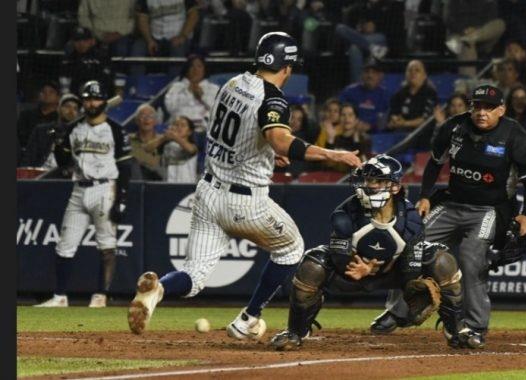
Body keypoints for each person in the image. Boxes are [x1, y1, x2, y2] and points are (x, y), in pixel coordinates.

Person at [126, 32, 362, 337]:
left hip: (208, 193)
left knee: (193, 277)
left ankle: (157, 290)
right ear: (287, 67)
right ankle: (248, 319)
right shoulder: (273, 98)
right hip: (245, 202)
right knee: (291, 249)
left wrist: (263, 155)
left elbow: (227, 133)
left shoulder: (232, 84)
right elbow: (279, 140)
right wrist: (331, 153)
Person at [372, 85, 526, 349]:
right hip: (452, 203)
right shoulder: (454, 127)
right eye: (477, 106)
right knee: (410, 243)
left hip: (489, 209)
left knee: (472, 258)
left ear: (501, 110)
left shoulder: (514, 135)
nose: (481, 113)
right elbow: (435, 163)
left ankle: (474, 326)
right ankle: (399, 311)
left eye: (488, 107)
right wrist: (426, 195)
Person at [268, 154, 465, 350]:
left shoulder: (411, 220)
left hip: (393, 274)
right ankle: (296, 331)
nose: (368, 185)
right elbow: (339, 258)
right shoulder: (346, 212)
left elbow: (410, 271)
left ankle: (457, 331)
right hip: (350, 273)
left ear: (395, 187)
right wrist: (363, 268)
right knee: (312, 265)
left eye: (376, 181)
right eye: (367, 180)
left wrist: (408, 287)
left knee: (442, 260)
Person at [35, 80, 134, 308]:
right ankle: (59, 297)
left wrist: (122, 199)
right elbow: (63, 163)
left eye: (96, 98)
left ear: (103, 100)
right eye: (88, 99)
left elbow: (126, 168)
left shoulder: (116, 130)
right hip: (79, 188)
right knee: (65, 244)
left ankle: (100, 297)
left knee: (106, 244)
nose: (92, 103)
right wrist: (60, 143)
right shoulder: (73, 129)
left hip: (105, 188)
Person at [130, 0, 200, 76]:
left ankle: (174, 84)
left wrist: (182, 36)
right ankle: (136, 83)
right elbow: (142, 18)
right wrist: (149, 40)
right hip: (155, 36)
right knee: (138, 47)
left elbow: (194, 15)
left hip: (179, 36)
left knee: (177, 48)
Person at [442, 0, 506, 77]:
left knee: (500, 24)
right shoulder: (452, 2)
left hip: (481, 37)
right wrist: (464, 30)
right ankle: (469, 84)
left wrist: (475, 30)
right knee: (466, 45)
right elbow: (448, 20)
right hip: (457, 37)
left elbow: (491, 18)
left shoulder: (489, 2)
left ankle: (472, 37)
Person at [335, 0, 392, 83]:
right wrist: (361, 29)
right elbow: (351, 29)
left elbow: (392, 29)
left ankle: (356, 87)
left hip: (380, 38)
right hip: (363, 39)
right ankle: (358, 86)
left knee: (355, 44)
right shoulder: (358, 7)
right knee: (342, 31)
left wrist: (376, 27)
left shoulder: (387, 5)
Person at [387, 60, 438, 150]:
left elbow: (427, 120)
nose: (413, 73)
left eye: (417, 70)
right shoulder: (399, 94)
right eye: (410, 70)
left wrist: (404, 123)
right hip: (400, 135)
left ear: (424, 75)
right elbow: (392, 115)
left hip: (423, 137)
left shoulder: (430, 93)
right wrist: (395, 120)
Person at [23, 94, 81, 169]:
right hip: (40, 175)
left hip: (65, 177)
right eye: (67, 106)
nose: (71, 111)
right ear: (58, 109)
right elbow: (28, 158)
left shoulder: (81, 134)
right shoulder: (41, 131)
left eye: (75, 108)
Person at [164, 54, 220, 131]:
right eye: (191, 66)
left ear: (204, 69)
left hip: (205, 129)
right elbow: (170, 108)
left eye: (199, 66)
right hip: (179, 129)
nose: (195, 70)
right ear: (187, 69)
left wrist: (202, 98)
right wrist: (188, 92)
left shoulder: (214, 88)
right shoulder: (176, 87)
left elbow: (218, 111)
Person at [60, 27, 115, 97]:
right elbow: (65, 85)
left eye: (85, 40)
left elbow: (109, 81)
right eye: (77, 40)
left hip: (100, 97)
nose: (81, 43)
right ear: (72, 42)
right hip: (76, 100)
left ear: (92, 41)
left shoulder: (102, 57)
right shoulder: (68, 60)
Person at [142, 115, 200, 183]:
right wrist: (164, 138)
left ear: (189, 131)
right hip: (167, 183)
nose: (179, 127)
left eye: (182, 125)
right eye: (176, 125)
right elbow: (146, 149)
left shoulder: (192, 145)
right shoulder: (165, 144)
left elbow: (191, 150)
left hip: (187, 184)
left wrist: (175, 137)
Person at [339, 60, 389, 132]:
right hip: (351, 132)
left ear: (380, 76)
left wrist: (371, 126)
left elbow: (388, 116)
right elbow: (338, 111)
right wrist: (354, 124)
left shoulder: (386, 94)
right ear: (361, 74)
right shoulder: (349, 91)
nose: (370, 75)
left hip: (378, 135)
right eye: (367, 72)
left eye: (374, 73)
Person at [17, 83, 61, 165]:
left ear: (58, 97)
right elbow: (20, 136)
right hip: (26, 154)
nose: (46, 94)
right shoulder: (26, 115)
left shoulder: (59, 119)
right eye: (43, 92)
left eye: (51, 92)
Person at [324, 103, 371, 172]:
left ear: (356, 120)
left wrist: (356, 139)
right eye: (343, 115)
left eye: (350, 115)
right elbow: (327, 165)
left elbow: (364, 166)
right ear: (339, 119)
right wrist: (330, 139)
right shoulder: (335, 139)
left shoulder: (365, 140)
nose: (347, 118)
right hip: (336, 179)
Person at [128, 104, 164, 181]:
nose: (146, 119)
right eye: (143, 116)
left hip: (158, 182)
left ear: (155, 121)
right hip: (135, 181)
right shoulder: (128, 140)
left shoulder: (163, 140)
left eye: (150, 116)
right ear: (136, 120)